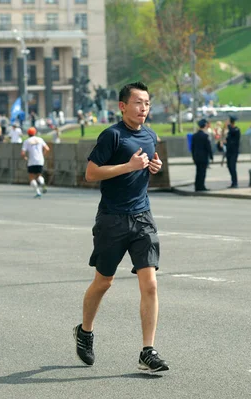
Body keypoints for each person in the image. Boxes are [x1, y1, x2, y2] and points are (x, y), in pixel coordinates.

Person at [73, 82, 168, 373]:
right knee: (104, 281)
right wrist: (127, 166)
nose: (143, 109)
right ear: (123, 106)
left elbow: (146, 165)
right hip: (112, 219)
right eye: (138, 103)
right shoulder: (111, 136)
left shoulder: (151, 135)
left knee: (150, 284)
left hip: (142, 218)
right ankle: (85, 332)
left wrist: (154, 166)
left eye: (148, 103)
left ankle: (147, 351)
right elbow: (90, 173)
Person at [21, 127, 50, 198]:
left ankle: (38, 192)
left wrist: (25, 157)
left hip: (32, 160)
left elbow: (22, 153)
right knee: (39, 175)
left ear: (28, 133)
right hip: (40, 160)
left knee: (31, 177)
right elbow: (47, 148)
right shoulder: (40, 139)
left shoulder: (27, 141)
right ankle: (42, 183)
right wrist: (43, 154)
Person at [191, 118, 213, 192]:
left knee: (198, 172)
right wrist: (211, 156)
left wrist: (193, 157)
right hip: (203, 157)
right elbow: (208, 147)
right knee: (202, 172)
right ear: (205, 126)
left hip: (196, 156)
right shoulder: (205, 136)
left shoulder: (194, 136)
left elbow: (192, 147)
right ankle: (202, 186)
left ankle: (197, 186)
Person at [224, 115, 241, 188]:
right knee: (229, 166)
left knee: (232, 166)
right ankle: (233, 182)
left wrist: (228, 125)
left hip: (234, 151)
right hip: (229, 151)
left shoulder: (236, 130)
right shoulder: (230, 131)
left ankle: (235, 182)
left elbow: (232, 131)